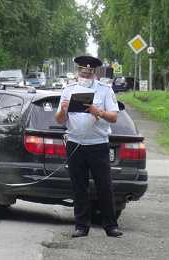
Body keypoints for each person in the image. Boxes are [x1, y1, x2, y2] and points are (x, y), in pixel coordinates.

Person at [55, 56, 123, 238]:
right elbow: (60, 119)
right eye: (82, 72)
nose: (85, 75)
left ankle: (110, 225)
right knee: (79, 187)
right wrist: (63, 110)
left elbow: (114, 117)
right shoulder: (68, 90)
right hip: (75, 144)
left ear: (95, 74)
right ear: (78, 72)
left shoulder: (105, 90)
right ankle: (81, 225)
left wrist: (98, 111)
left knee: (104, 186)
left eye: (89, 73)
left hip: (98, 145)